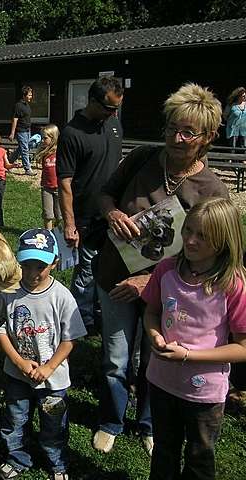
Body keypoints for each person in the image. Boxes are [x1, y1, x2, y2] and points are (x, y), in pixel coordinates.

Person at [92, 83, 229, 456]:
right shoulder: (142, 159)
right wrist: (113, 213)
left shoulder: (213, 189)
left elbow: (213, 253)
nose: (176, 137)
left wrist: (149, 280)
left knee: (157, 357)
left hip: (170, 289)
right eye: (171, 127)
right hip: (114, 277)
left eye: (187, 132)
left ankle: (148, 423)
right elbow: (105, 194)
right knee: (115, 357)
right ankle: (110, 421)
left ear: (208, 137)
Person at [142, 197, 246, 480]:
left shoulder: (233, 284)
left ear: (224, 241)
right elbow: (151, 312)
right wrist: (154, 334)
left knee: (200, 457)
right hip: (162, 381)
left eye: (202, 236)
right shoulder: (165, 270)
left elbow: (242, 348)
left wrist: (189, 356)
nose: (189, 240)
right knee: (164, 450)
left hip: (204, 392)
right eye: (188, 230)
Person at [0, 228, 86, 480]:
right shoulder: (8, 292)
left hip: (53, 378)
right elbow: (0, 330)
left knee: (53, 423)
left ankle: (56, 462)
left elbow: (70, 339)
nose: (33, 273)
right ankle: (17, 457)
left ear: (55, 263)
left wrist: (49, 368)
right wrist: (18, 362)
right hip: (17, 373)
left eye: (40, 266)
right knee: (15, 419)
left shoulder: (62, 296)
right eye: (27, 265)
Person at [56, 76, 124, 332]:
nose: (113, 113)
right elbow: (64, 183)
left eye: (116, 108)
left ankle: (101, 314)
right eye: (108, 108)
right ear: (92, 101)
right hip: (85, 217)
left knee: (110, 269)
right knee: (85, 272)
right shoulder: (72, 133)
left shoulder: (114, 124)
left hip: (112, 214)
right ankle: (81, 323)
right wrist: (70, 224)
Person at [35, 124, 62, 230]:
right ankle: (49, 234)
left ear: (53, 138)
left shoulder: (61, 153)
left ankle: (60, 233)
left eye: (45, 138)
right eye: (42, 138)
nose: (42, 140)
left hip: (59, 188)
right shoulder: (44, 153)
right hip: (47, 188)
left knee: (60, 215)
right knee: (48, 215)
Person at [9, 86, 37, 175]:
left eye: (31, 95)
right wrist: (12, 133)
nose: (31, 97)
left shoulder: (27, 105)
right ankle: (27, 169)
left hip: (27, 130)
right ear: (24, 95)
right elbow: (15, 119)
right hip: (21, 131)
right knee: (24, 149)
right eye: (29, 95)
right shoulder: (18, 106)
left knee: (22, 148)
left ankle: (9, 161)